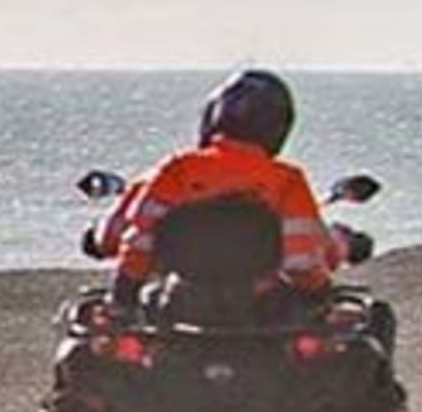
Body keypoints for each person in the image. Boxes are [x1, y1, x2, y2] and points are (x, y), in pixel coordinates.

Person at [95, 68, 339, 293]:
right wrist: (321, 291)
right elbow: (301, 260)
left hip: (182, 305)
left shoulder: (179, 169)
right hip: (263, 312)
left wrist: (125, 288)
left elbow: (141, 238)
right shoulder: (288, 179)